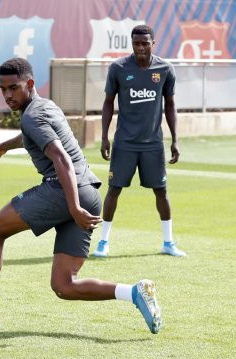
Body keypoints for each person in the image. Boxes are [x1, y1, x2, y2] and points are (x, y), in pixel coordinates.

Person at [0, 58, 162, 335]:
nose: (8, 95)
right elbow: (32, 135)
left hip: (63, 191)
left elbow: (60, 157)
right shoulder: (46, 106)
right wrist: (5, 145)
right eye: (3, 89)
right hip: (89, 192)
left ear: (29, 84)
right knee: (65, 285)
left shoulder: (31, 116)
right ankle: (134, 292)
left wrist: (72, 206)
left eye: (13, 88)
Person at [93, 25, 186, 258]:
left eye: (145, 43)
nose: (141, 48)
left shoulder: (165, 69)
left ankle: (168, 242)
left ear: (153, 43)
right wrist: (104, 136)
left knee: (161, 191)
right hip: (124, 143)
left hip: (153, 144)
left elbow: (170, 106)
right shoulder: (119, 68)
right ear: (132, 43)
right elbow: (108, 103)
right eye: (137, 43)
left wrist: (175, 140)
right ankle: (103, 242)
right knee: (114, 190)